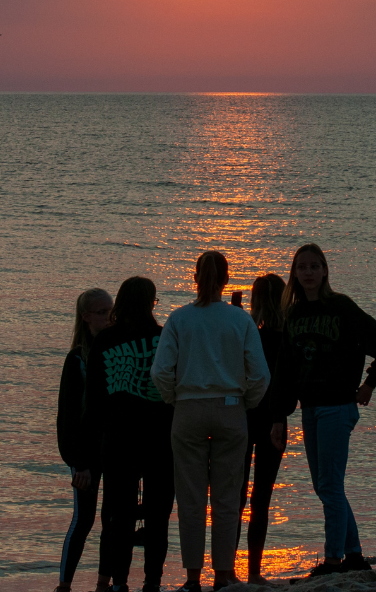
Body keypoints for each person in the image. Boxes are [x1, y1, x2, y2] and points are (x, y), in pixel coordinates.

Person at [270, 243, 376, 577]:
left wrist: (370, 383)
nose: (308, 272)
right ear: (294, 274)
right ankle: (353, 555)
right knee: (327, 485)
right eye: (302, 267)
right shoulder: (294, 315)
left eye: (314, 266)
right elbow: (284, 371)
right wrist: (279, 415)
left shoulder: (341, 308)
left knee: (329, 485)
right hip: (309, 408)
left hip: (338, 406)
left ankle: (332, 560)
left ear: (325, 270)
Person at [151, 251, 271, 592]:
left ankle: (192, 577)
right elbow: (260, 374)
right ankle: (222, 574)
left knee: (190, 497)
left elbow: (160, 372)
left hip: (188, 409)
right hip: (231, 408)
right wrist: (245, 403)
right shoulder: (240, 320)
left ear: (195, 278)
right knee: (227, 496)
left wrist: (175, 399)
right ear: (226, 280)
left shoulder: (179, 319)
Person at [80, 277, 175, 592]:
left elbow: (92, 400)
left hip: (117, 438)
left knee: (118, 516)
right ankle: (152, 583)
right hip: (160, 438)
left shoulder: (105, 341)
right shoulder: (165, 338)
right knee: (158, 515)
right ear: (151, 303)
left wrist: (86, 455)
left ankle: (119, 583)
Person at [56, 288, 114, 592]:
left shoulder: (116, 351)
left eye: (111, 311)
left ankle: (103, 583)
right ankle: (64, 585)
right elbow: (67, 418)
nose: (108, 317)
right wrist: (78, 463)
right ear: (86, 316)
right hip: (85, 457)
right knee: (84, 519)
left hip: (113, 449)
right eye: (102, 312)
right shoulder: (76, 359)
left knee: (113, 519)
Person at [237, 274, 287, 585]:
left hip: (244, 418)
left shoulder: (247, 335)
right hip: (275, 420)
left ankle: (226, 568)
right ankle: (254, 571)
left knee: (236, 495)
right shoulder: (286, 338)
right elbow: (285, 384)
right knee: (261, 499)